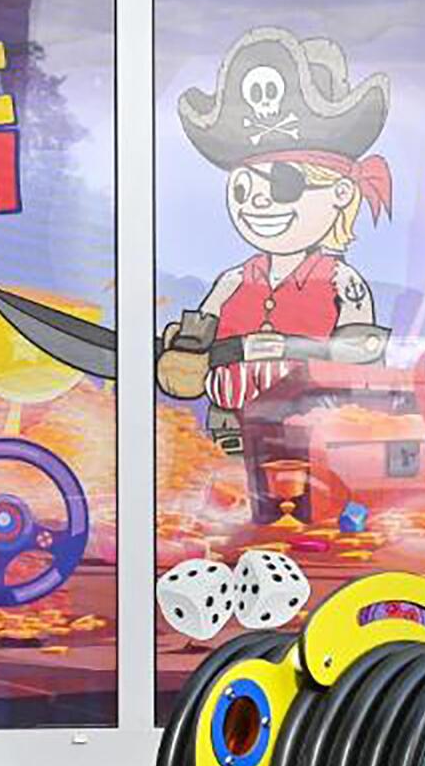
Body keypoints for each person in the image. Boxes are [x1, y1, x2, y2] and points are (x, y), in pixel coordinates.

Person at [157, 28, 395, 456]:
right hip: (229, 428)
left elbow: (362, 358)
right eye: (243, 189)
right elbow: (194, 344)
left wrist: (302, 356)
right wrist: (184, 357)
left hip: (313, 432)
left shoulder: (342, 282)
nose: (257, 202)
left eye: (284, 184)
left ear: (341, 192)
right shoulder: (233, 281)